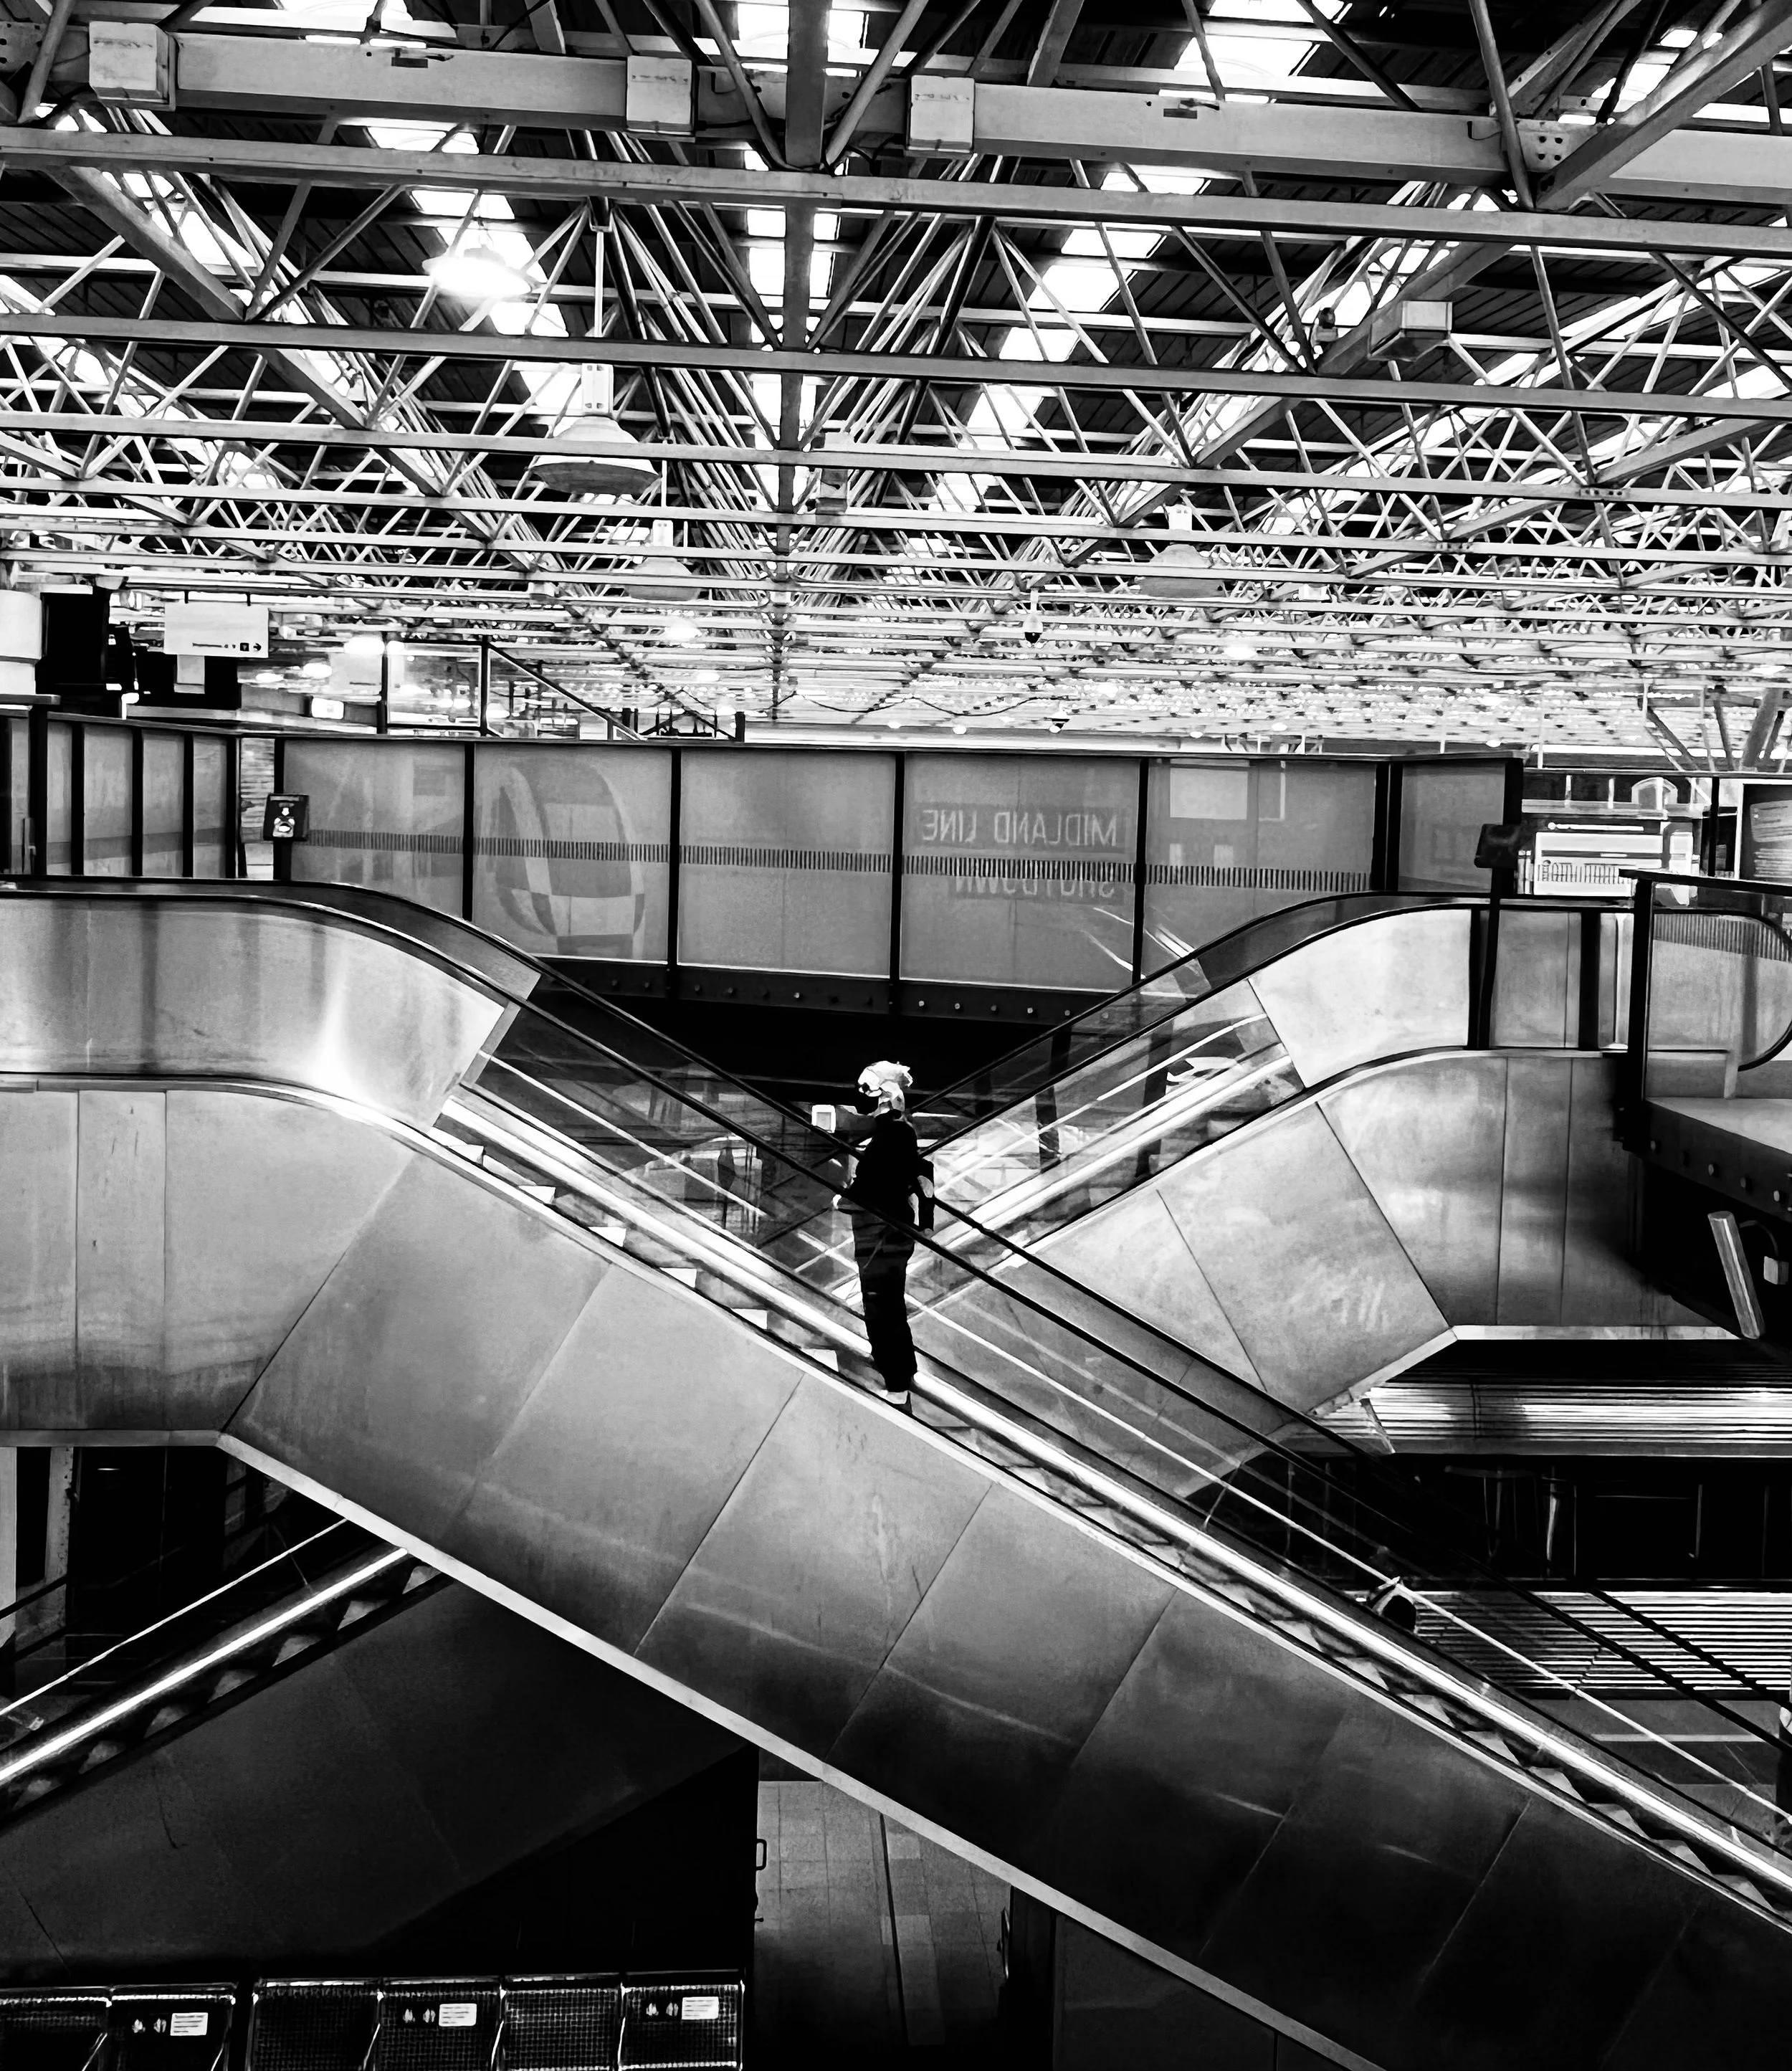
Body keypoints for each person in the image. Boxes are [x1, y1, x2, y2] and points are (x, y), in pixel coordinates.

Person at [842, 1060, 925, 1410]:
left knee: (881, 1303)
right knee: (886, 1302)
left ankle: (896, 1383)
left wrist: (847, 1195)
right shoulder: (896, 1133)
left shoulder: (894, 1134)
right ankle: (899, 1370)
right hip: (885, 1230)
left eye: (868, 1090)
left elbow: (879, 1183)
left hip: (882, 1231)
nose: (862, 1097)